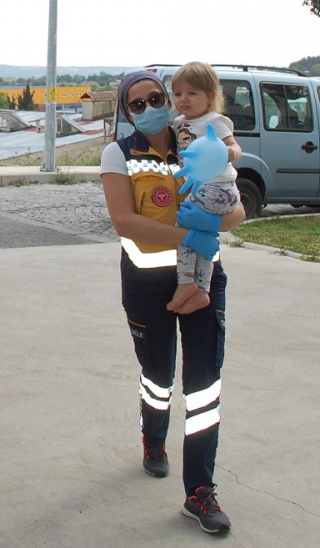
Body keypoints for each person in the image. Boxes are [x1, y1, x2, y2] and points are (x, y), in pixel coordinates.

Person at [100, 70, 244, 535]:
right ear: (126, 111)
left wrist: (214, 225)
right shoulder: (118, 154)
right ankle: (153, 439)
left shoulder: (198, 141)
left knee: (203, 382)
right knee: (158, 376)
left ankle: (199, 491)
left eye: (155, 98)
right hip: (145, 284)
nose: (149, 108)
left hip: (204, 278)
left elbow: (236, 210)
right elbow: (125, 222)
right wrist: (193, 233)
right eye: (136, 104)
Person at [168, 62, 243, 314]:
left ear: (210, 97)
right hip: (202, 189)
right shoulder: (179, 123)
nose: (183, 99)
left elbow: (236, 148)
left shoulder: (215, 121)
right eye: (178, 93)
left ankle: (187, 281)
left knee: (185, 225)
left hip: (220, 189)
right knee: (202, 237)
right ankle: (201, 289)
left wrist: (227, 152)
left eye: (192, 93)